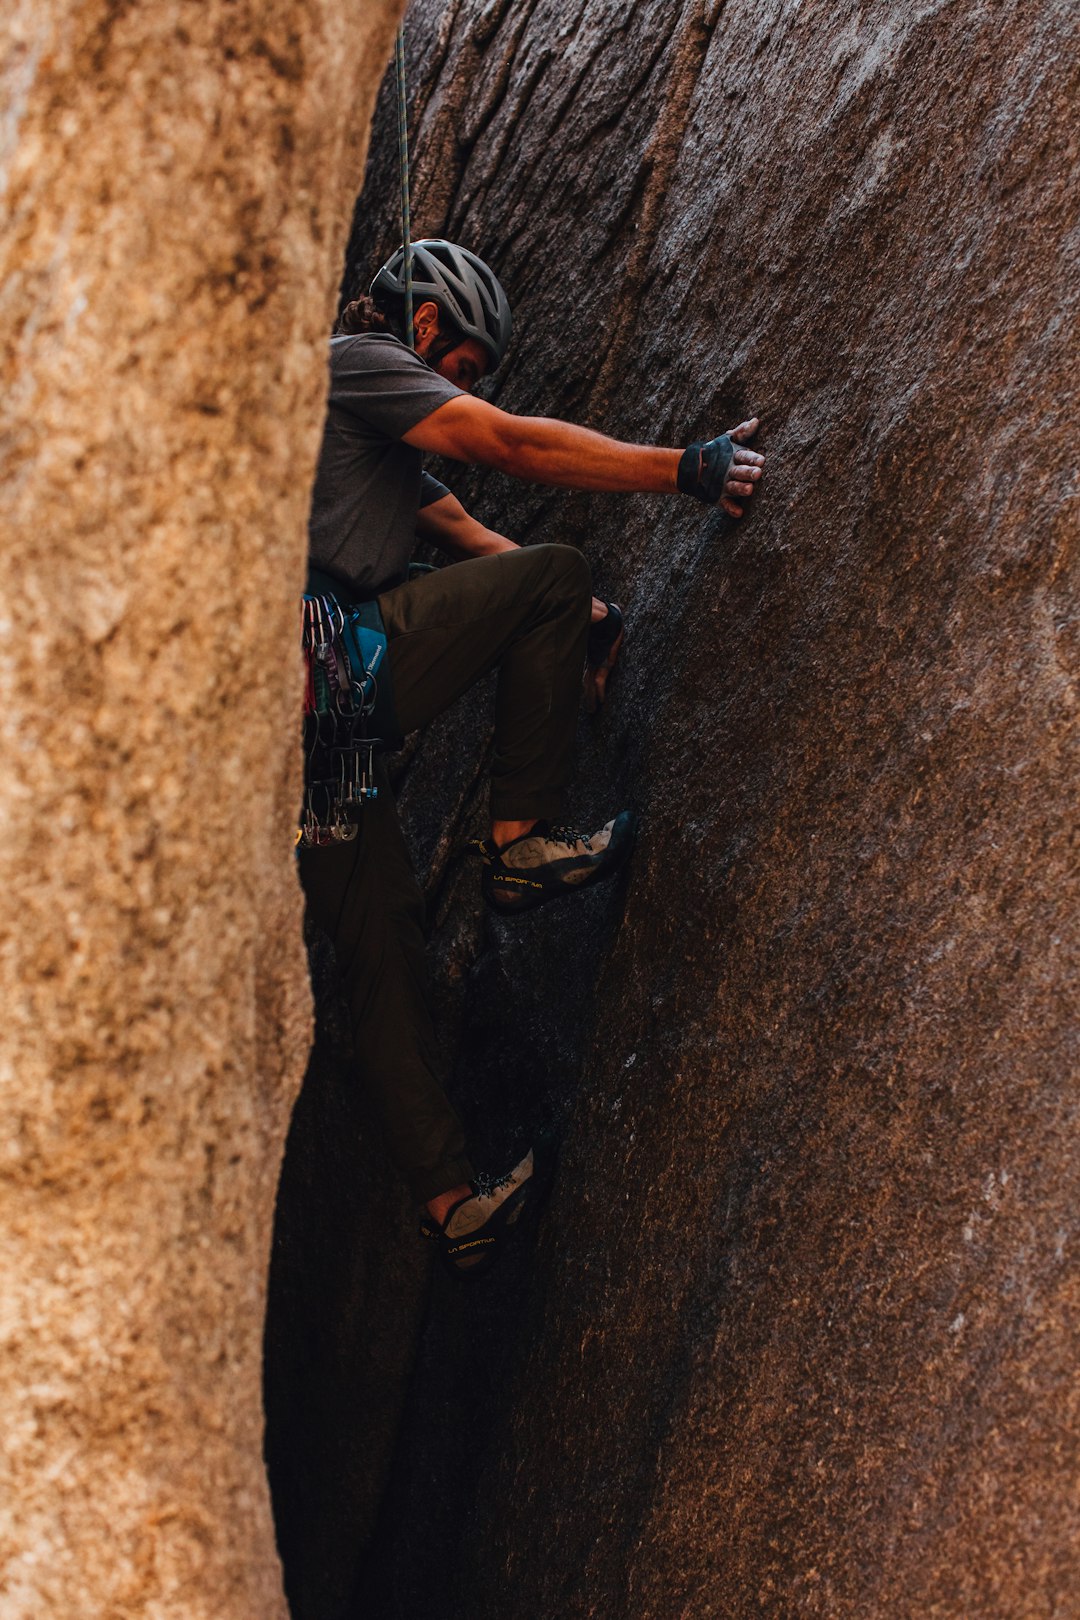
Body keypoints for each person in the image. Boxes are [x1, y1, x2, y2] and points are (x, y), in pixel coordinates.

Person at [300, 239, 764, 1275]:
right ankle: (517, 848)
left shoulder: (363, 452)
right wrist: (684, 470)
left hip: (313, 728)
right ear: (424, 328)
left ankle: (452, 1204)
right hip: (322, 662)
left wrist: (579, 621)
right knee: (557, 574)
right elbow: (506, 447)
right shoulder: (356, 362)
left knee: (383, 945)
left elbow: (469, 532)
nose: (452, 387)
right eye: (457, 366)